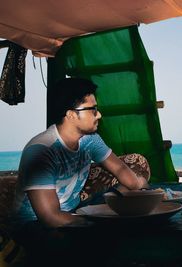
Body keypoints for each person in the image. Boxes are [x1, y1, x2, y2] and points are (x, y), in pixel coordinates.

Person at [12, 77, 150, 230]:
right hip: (35, 224)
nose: (99, 115)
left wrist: (139, 184)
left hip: (74, 212)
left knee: (130, 192)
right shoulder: (41, 151)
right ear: (71, 114)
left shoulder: (90, 140)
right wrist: (100, 223)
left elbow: (120, 169)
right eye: (93, 110)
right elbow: (50, 217)